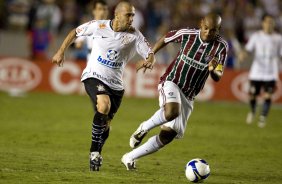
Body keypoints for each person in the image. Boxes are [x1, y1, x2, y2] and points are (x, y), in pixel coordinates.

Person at [52, 1, 155, 171]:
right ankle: (93, 153)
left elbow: (150, 53)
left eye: (133, 15)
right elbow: (75, 32)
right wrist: (60, 51)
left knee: (105, 126)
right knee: (103, 105)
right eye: (128, 15)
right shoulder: (98, 26)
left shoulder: (135, 35)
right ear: (117, 14)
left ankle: (97, 153)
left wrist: (149, 61)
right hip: (94, 76)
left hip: (116, 85)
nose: (131, 19)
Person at [121, 13, 228, 170]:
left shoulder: (221, 47)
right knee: (172, 111)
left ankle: (129, 157)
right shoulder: (187, 34)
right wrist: (150, 56)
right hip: (172, 81)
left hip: (189, 95)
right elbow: (165, 38)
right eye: (205, 28)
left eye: (213, 31)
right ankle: (144, 127)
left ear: (218, 30)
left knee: (167, 136)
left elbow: (218, 76)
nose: (207, 33)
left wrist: (212, 69)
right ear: (201, 24)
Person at [240, 14, 282, 128]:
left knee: (268, 95)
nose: (270, 24)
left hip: (271, 71)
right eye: (268, 22)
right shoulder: (256, 36)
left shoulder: (278, 38)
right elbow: (248, 49)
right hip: (257, 71)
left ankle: (263, 117)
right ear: (263, 23)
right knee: (253, 95)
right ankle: (253, 111)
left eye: (271, 22)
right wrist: (243, 55)